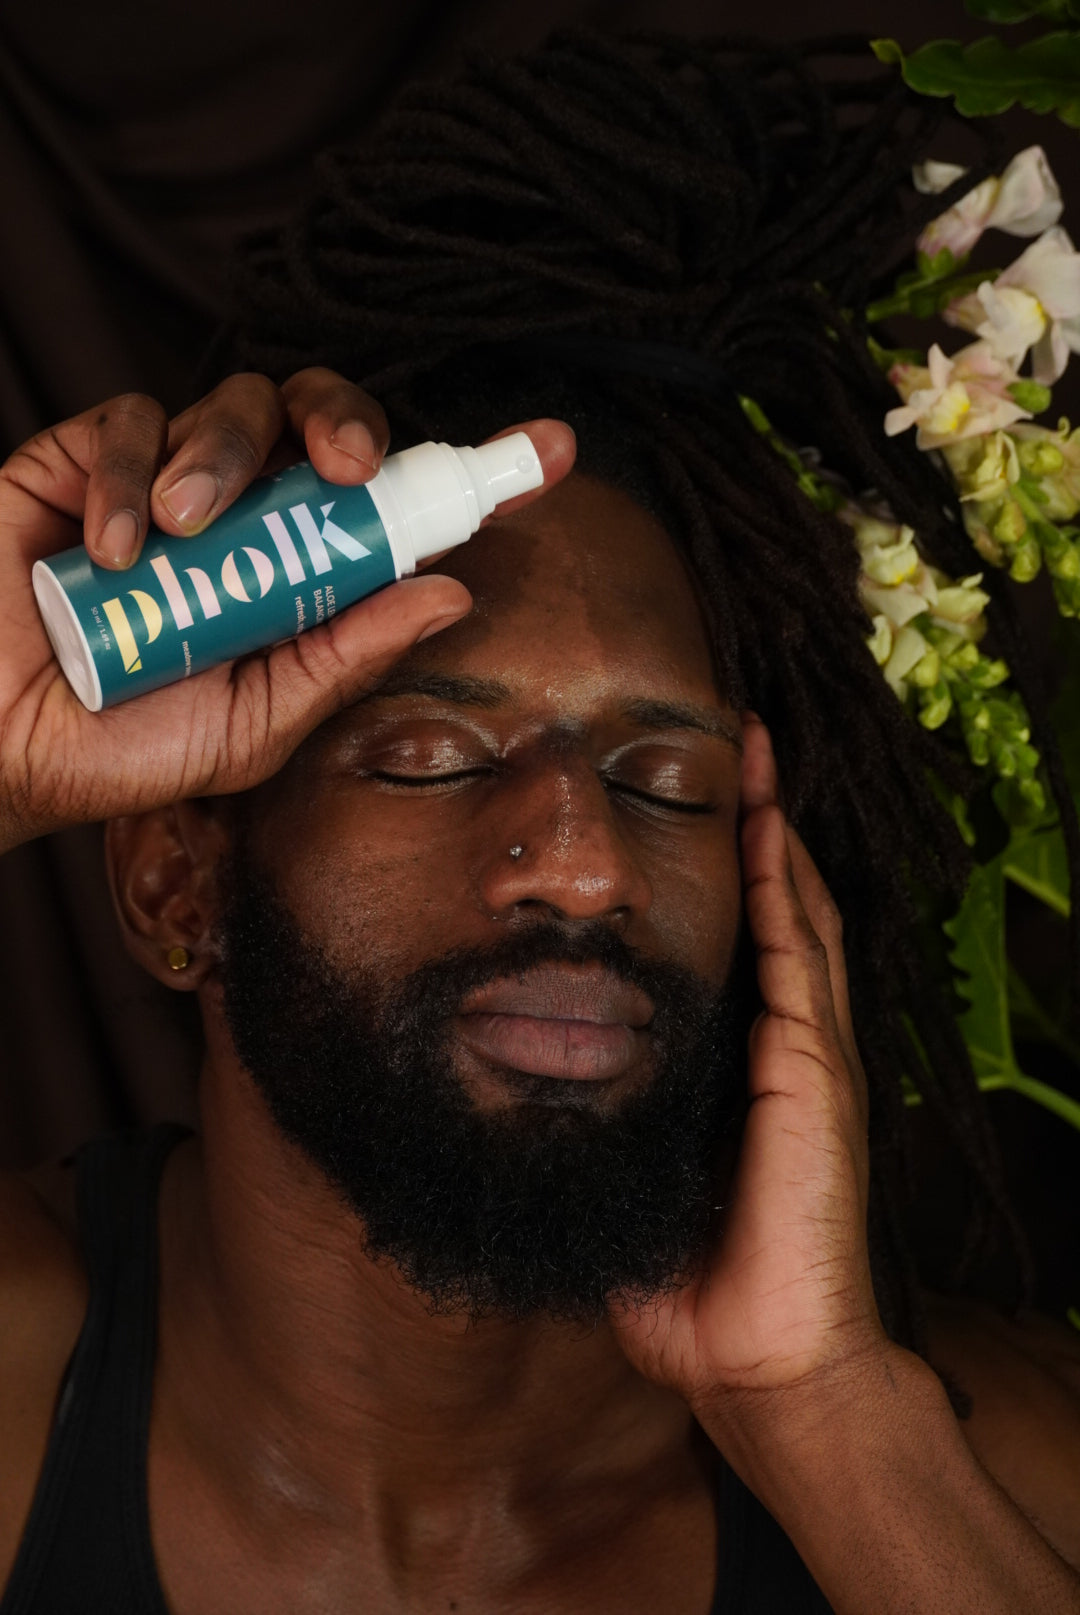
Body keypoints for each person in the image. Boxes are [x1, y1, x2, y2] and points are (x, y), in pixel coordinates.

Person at [1, 29, 1079, 1614]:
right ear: (176, 882)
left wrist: (822, 1414)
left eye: (664, 784)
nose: (581, 865)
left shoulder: (1012, 1491)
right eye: (431, 757)